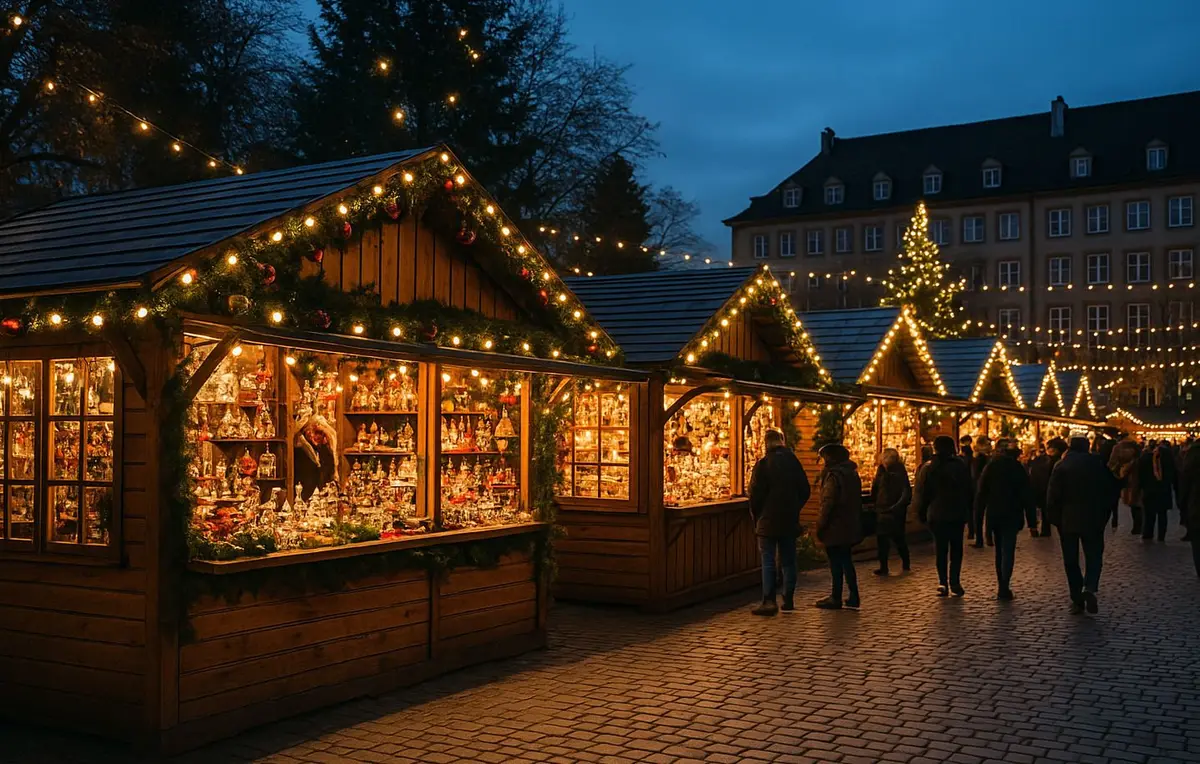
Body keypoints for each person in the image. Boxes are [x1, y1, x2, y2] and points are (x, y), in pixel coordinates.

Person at [1047, 437, 1119, 615]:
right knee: (1094, 555)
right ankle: (1090, 586)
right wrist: (1105, 515)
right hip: (1094, 518)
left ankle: (1076, 598)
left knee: (1071, 560)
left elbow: (1053, 496)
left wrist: (1056, 519)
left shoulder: (1061, 465)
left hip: (1068, 519)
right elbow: (1111, 491)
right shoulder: (1099, 465)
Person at [748, 428, 812, 616]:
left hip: (767, 520)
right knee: (788, 560)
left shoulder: (763, 464)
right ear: (782, 441)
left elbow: (755, 494)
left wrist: (758, 515)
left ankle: (769, 601)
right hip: (789, 520)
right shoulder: (793, 462)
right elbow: (805, 490)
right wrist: (795, 508)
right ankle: (788, 598)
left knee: (768, 560)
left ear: (766, 443)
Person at [975, 439, 1035, 600]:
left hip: (995, 513)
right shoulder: (1017, 468)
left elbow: (981, 494)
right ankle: (1004, 585)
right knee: (1008, 550)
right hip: (1012, 514)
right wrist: (1032, 523)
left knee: (999, 551)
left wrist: (978, 521)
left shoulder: (991, 467)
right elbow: (1027, 495)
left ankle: (1001, 583)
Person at [915, 435, 974, 597]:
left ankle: (942, 582)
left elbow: (924, 493)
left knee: (941, 550)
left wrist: (921, 512)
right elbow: (969, 489)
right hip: (956, 513)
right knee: (956, 549)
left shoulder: (930, 467)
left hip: (937, 514)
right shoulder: (960, 466)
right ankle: (955, 581)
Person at [814, 443, 863, 610]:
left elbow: (828, 502)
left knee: (836, 562)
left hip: (835, 525)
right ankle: (853, 595)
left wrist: (820, 524)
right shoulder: (851, 473)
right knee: (846, 560)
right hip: (849, 523)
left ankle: (836, 596)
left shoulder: (833, 476)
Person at [871, 448, 912, 576]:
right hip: (884, 508)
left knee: (897, 538)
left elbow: (905, 492)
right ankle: (884, 566)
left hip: (894, 510)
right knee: (883, 539)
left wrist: (897, 506)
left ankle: (904, 563)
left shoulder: (898, 472)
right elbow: (876, 488)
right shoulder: (882, 471)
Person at [1028, 437, 1067, 537]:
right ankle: (1046, 528)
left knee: (1046, 509)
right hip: (1046, 489)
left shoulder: (1046, 460)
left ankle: (1045, 528)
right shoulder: (1058, 461)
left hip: (1045, 489)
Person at [1138, 439, 1175, 542]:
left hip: (1149, 489)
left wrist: (1141, 487)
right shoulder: (1167, 458)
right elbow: (1172, 473)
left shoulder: (1145, 458)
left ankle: (1148, 533)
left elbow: (1140, 474)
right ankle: (1161, 535)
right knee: (1162, 514)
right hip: (1163, 489)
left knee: (1149, 513)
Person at [1109, 437, 1143, 534]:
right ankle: (1138, 525)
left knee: (1127, 502)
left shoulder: (1118, 448)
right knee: (1137, 502)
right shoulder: (1136, 449)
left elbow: (1112, 464)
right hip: (1136, 477)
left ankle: (1116, 521)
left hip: (1124, 479)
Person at [1179, 441, 1200, 577]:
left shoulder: (1193, 455)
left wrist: (1183, 504)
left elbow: (1184, 483)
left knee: (1197, 540)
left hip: (1196, 504)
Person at [970, 436, 994, 548]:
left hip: (980, 488)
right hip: (984, 488)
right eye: (987, 444)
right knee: (985, 514)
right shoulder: (986, 458)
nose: (989, 446)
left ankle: (981, 539)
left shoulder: (980, 457)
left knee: (980, 515)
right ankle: (987, 538)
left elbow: (974, 474)